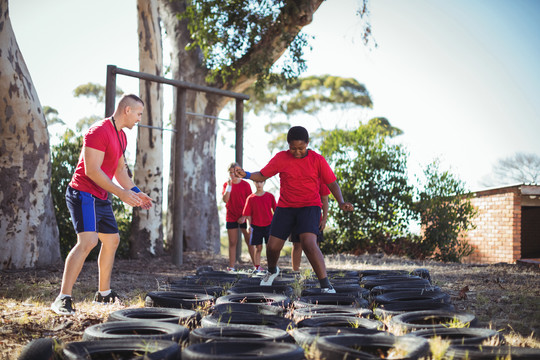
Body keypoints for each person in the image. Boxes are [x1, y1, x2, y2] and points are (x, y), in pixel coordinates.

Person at [51, 94, 153, 316]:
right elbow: (92, 170)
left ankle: (103, 294)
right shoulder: (98, 131)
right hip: (82, 192)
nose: (139, 118)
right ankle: (63, 297)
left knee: (112, 240)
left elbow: (119, 172)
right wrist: (122, 194)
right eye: (138, 113)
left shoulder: (122, 137)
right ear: (127, 110)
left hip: (101, 196)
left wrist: (136, 192)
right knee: (88, 241)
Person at [234, 126, 354, 292]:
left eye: (301, 148)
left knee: (308, 243)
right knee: (272, 246)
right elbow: (263, 174)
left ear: (307, 143)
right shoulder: (281, 158)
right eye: (293, 149)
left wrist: (341, 202)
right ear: (288, 145)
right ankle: (271, 270)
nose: (297, 152)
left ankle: (326, 285)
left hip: (310, 206)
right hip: (286, 207)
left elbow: (332, 183)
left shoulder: (317, 160)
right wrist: (246, 174)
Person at [222, 162, 255, 271]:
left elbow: (250, 202)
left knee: (249, 241)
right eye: (231, 173)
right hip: (231, 217)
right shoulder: (227, 185)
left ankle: (257, 266)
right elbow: (225, 200)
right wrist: (229, 187)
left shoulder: (246, 185)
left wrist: (244, 217)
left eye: (236, 172)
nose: (234, 175)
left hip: (244, 217)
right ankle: (231, 267)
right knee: (232, 242)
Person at [239, 180, 277, 272]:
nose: (259, 184)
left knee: (270, 248)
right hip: (256, 226)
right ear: (254, 183)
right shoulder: (251, 198)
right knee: (258, 247)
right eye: (256, 182)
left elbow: (276, 211)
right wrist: (249, 226)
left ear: (264, 183)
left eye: (261, 182)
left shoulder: (270, 196)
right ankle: (257, 267)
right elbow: (248, 214)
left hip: (269, 226)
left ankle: (272, 267)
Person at [291, 181, 330, 271]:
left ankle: (317, 271)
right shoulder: (297, 176)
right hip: (296, 214)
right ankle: (295, 272)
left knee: (315, 244)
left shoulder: (321, 180)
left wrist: (324, 219)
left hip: (315, 217)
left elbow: (325, 200)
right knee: (297, 244)